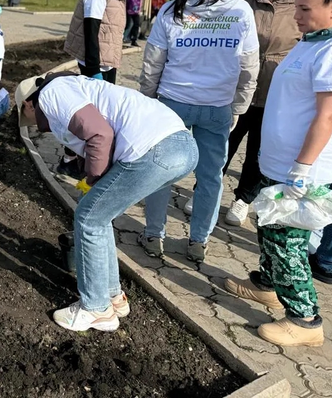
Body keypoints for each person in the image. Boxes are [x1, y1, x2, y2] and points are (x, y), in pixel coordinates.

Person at [16, 72, 197, 332]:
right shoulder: (74, 88)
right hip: (180, 147)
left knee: (89, 219)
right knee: (100, 215)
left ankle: (96, 309)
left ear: (28, 104)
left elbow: (100, 134)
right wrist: (91, 178)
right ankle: (113, 297)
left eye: (26, 117)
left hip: (155, 148)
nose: (32, 124)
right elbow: (94, 137)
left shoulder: (51, 93)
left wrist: (93, 180)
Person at [225, 0, 332, 347]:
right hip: (279, 164)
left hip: (302, 171)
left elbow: (328, 115)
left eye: (305, 9)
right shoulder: (313, 41)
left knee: (287, 242)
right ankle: (267, 285)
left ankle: (305, 320)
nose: (297, 15)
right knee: (269, 227)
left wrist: (301, 170)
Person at [138, 0, 259, 263]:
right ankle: (198, 241)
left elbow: (152, 62)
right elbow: (249, 66)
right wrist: (239, 106)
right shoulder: (241, 11)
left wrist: (148, 98)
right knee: (211, 176)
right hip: (217, 106)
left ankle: (153, 234)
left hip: (172, 103)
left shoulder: (172, 8)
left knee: (161, 171)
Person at [222, 0, 302, 226]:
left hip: (275, 95)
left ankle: (243, 199)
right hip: (238, 90)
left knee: (258, 151)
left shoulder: (299, 9)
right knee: (223, 143)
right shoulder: (244, 6)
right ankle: (206, 188)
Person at [60, 0, 134, 181]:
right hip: (96, 64)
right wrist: (93, 71)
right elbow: (91, 29)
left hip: (106, 61)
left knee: (96, 116)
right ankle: (70, 161)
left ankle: (76, 159)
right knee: (91, 117)